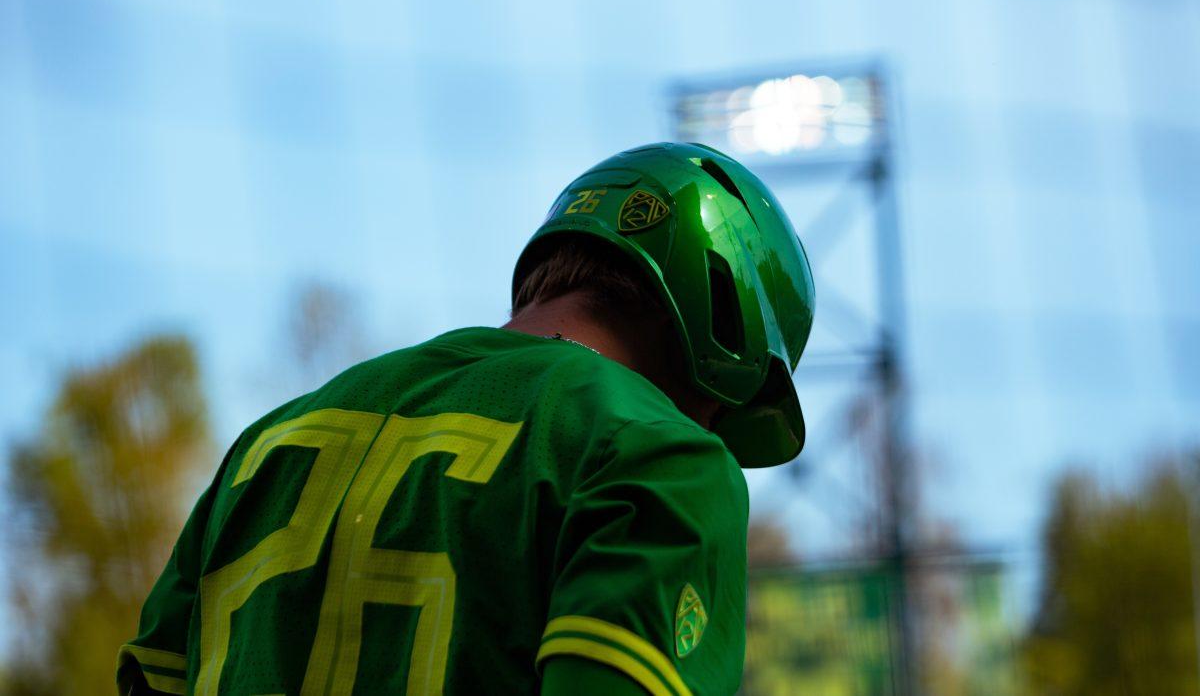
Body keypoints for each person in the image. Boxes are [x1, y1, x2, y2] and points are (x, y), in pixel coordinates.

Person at [117, 142, 815, 696]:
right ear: (727, 332)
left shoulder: (265, 446)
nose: (715, 425)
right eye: (730, 404)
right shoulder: (661, 455)